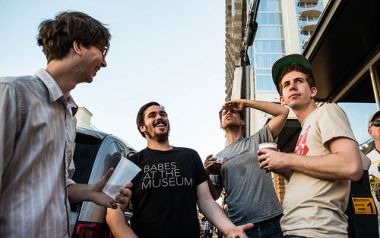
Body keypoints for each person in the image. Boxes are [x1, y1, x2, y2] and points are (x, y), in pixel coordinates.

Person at [0, 11, 130, 237]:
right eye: (102, 50)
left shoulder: (69, 116)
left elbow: (61, 185)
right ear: (78, 45)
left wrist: (92, 191)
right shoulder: (12, 93)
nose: (105, 62)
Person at [106, 101, 253, 238]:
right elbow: (113, 213)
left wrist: (230, 229)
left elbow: (206, 200)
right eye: (152, 115)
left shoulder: (190, 156)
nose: (159, 117)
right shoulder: (130, 163)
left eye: (163, 114)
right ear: (142, 127)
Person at [257, 54, 363, 238]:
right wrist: (284, 169)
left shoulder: (327, 111)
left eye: (299, 81)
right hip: (295, 229)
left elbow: (351, 166)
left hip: (317, 230)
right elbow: (314, 179)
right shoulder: (305, 130)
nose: (292, 86)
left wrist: (286, 158)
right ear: (283, 99)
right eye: (286, 84)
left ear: (313, 91)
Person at [204, 99, 289, 238]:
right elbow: (214, 196)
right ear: (221, 124)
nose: (229, 113)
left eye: (233, 111)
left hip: (272, 221)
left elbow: (283, 112)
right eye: (225, 112)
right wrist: (206, 175)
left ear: (243, 122)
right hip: (241, 228)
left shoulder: (258, 139)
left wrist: (246, 103)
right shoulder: (217, 159)